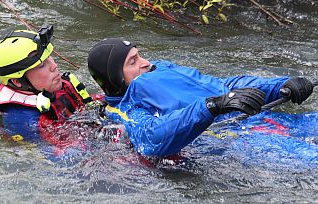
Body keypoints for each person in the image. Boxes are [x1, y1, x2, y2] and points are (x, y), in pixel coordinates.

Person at [87, 37, 315, 158]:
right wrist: (211, 107)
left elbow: (222, 85)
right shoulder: (126, 111)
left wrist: (280, 85)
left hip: (264, 121)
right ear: (116, 79)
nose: (145, 62)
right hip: (239, 143)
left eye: (140, 55)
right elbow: (150, 138)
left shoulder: (162, 69)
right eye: (133, 62)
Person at [0, 25, 108, 159]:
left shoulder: (42, 86)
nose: (54, 66)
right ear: (17, 81)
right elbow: (65, 157)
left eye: (49, 57)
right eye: (42, 65)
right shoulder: (27, 121)